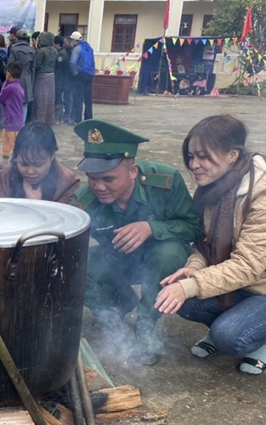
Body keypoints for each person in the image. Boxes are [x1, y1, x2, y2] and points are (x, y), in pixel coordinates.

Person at [155, 115, 266, 375]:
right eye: (191, 156)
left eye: (203, 156)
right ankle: (230, 324)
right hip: (234, 285)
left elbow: (249, 265)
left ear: (232, 155)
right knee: (183, 300)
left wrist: (190, 286)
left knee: (230, 337)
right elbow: (203, 244)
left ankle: (260, 341)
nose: (194, 165)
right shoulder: (212, 189)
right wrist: (193, 268)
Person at [71, 119, 201, 365]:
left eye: (108, 179)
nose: (99, 186)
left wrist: (151, 228)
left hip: (161, 263)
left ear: (132, 171)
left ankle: (146, 322)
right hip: (119, 261)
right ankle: (113, 314)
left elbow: (193, 228)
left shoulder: (166, 182)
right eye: (92, 178)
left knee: (169, 252)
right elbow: (62, 244)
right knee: (76, 266)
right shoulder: (83, 202)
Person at [0, 122, 80, 203]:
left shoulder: (67, 183)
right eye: (23, 164)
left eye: (38, 165)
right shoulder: (6, 176)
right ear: (16, 157)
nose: (30, 171)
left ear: (52, 156)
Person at [0, 62, 25, 170]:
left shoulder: (10, 87)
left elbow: (1, 98)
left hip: (12, 120)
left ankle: (20, 163)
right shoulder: (18, 86)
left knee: (14, 143)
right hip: (13, 120)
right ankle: (5, 160)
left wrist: (5, 82)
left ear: (9, 74)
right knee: (6, 141)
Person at [6, 28, 35, 121]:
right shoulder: (32, 50)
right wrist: (31, 82)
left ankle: (14, 127)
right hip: (27, 80)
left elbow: (9, 66)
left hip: (15, 80)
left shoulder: (14, 49)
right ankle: (21, 127)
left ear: (17, 38)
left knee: (14, 104)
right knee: (24, 105)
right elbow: (33, 69)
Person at [32, 31, 57, 124]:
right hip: (51, 76)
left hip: (41, 76)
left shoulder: (41, 51)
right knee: (49, 99)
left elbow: (37, 65)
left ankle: (39, 120)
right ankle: (49, 119)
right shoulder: (54, 50)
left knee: (40, 99)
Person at [69, 30, 95, 122]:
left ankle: (78, 120)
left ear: (75, 40)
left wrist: (75, 74)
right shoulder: (90, 48)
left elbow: (72, 62)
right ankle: (89, 119)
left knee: (78, 98)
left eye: (72, 40)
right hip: (90, 74)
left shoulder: (77, 48)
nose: (71, 42)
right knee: (88, 98)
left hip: (81, 74)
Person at [54, 35, 71, 123]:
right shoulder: (63, 51)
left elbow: (59, 67)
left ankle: (59, 117)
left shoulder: (61, 53)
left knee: (58, 97)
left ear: (57, 44)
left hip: (61, 78)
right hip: (62, 78)